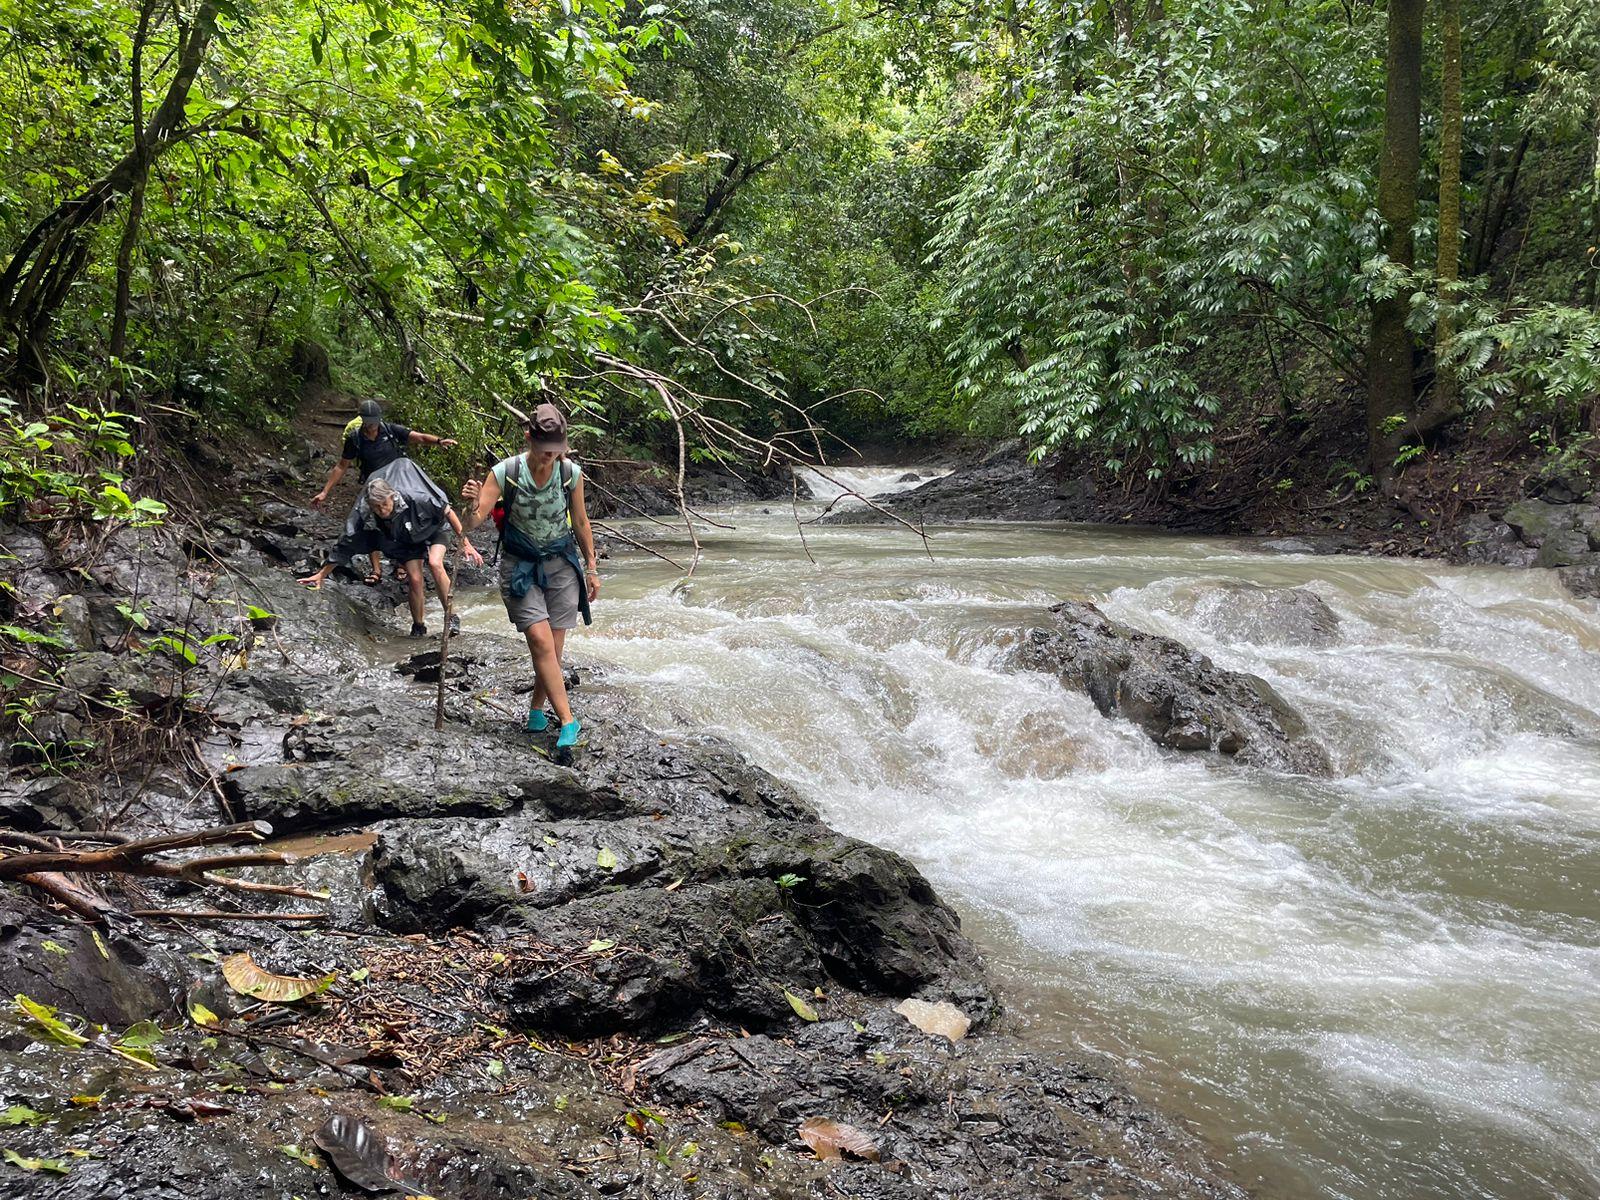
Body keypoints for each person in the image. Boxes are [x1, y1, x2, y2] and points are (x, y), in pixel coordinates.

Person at [459, 403, 599, 753]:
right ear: (528, 439)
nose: (550, 456)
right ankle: (568, 719)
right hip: (520, 566)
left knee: (551, 647)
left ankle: (537, 711)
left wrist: (592, 567)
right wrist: (470, 506)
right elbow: (472, 523)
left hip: (562, 564)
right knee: (539, 641)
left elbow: (580, 523)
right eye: (545, 449)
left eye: (557, 450)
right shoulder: (506, 472)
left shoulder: (570, 474)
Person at [298, 461, 483, 637]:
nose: (382, 510)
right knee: (415, 578)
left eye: (384, 504)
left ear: (392, 496)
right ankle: (418, 626)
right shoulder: (366, 511)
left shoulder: (417, 497)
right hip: (406, 539)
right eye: (376, 508)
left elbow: (447, 512)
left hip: (433, 528)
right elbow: (348, 540)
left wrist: (465, 543)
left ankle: (451, 617)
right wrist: (322, 574)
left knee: (435, 563)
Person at [311, 399, 460, 585]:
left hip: (397, 486)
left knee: (400, 520)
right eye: (369, 421)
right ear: (363, 420)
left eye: (375, 421)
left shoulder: (390, 431)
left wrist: (438, 441)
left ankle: (401, 562)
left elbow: (419, 437)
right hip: (372, 487)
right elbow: (342, 466)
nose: (372, 425)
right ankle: (376, 569)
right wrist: (325, 492)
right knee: (370, 523)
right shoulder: (355, 439)